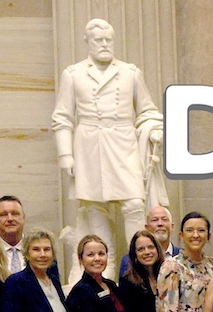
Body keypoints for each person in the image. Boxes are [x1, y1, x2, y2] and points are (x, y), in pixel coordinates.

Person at [52, 18, 163, 267]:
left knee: (134, 204)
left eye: (108, 40)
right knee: (94, 209)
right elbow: (62, 117)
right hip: (89, 147)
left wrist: (153, 129)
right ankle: (103, 268)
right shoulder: (73, 74)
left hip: (123, 144)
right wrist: (65, 154)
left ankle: (140, 266)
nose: (104, 44)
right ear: (88, 42)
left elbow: (147, 110)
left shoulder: (130, 73)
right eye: (98, 40)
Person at [0, 196, 28, 277]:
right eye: (4, 215)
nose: (10, 219)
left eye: (15, 214)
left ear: (23, 218)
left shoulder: (38, 251)